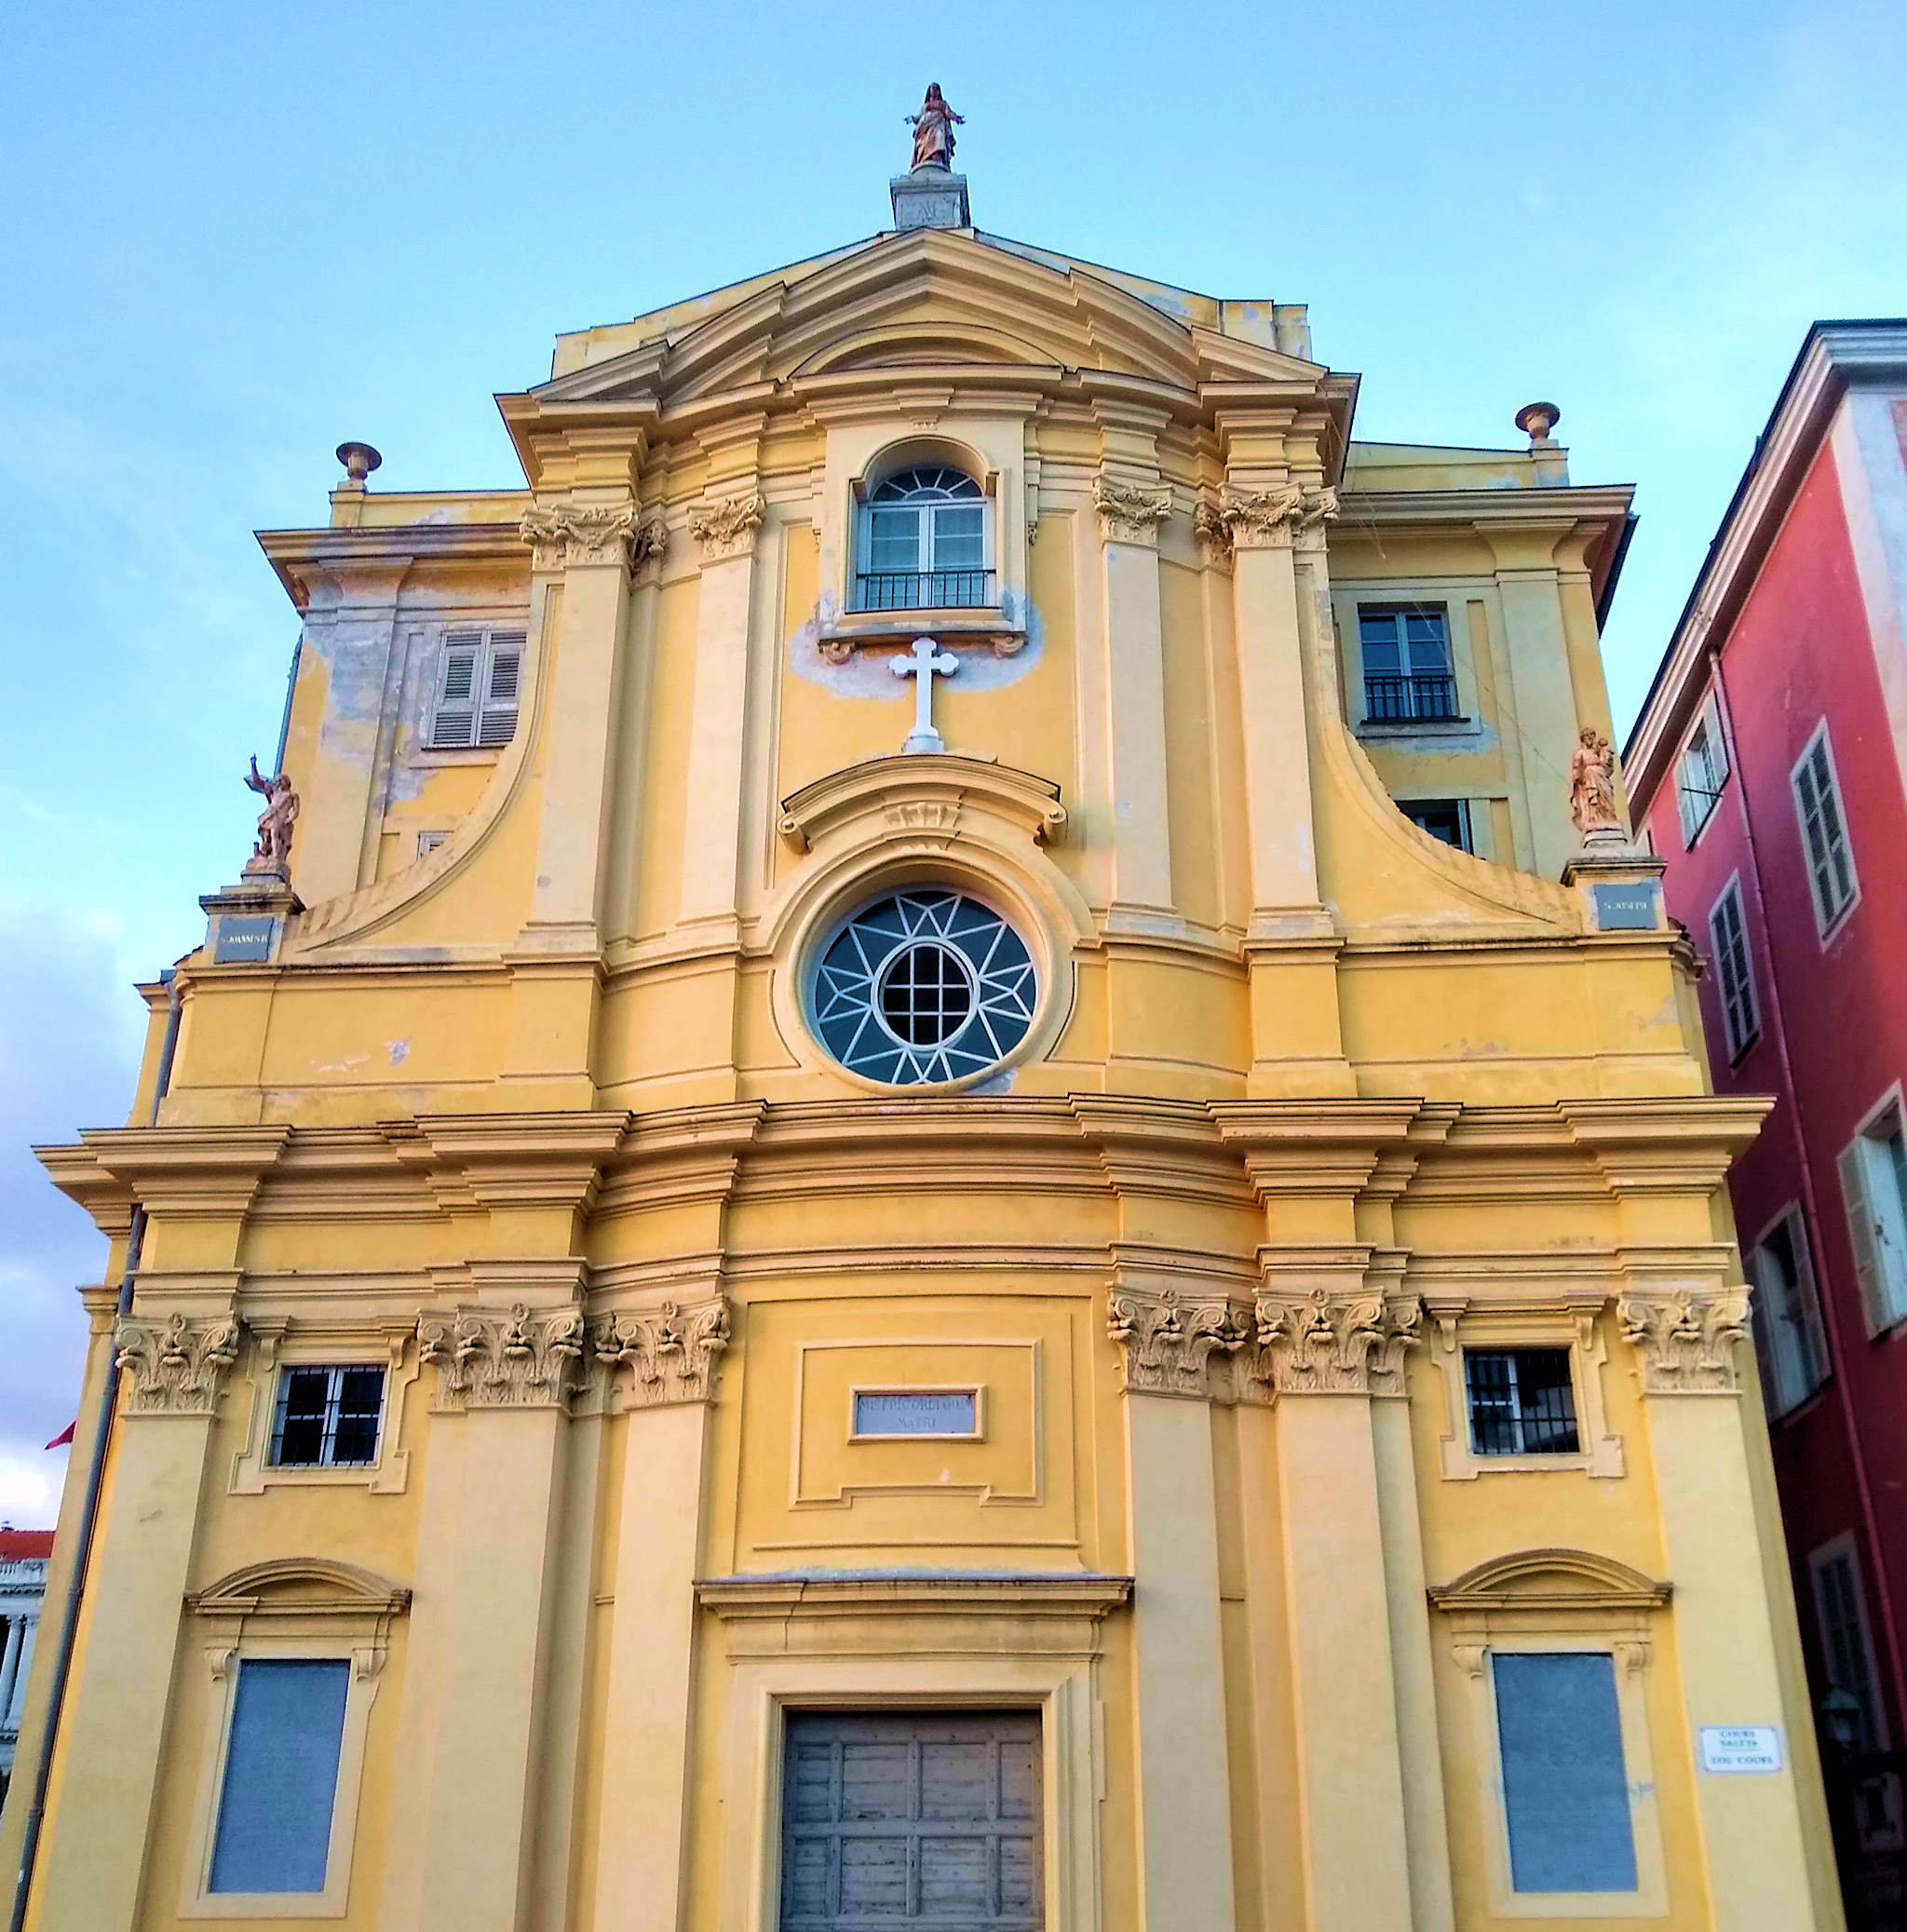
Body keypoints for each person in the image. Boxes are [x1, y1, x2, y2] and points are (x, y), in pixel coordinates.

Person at [906, 84, 964, 171]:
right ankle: (924, 160)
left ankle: (937, 158)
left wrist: (956, 118)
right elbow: (919, 117)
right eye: (932, 89)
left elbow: (948, 113)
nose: (934, 91)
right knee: (924, 144)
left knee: (939, 139)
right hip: (925, 127)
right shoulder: (925, 106)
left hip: (938, 125)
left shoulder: (943, 103)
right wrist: (912, 118)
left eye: (936, 89)